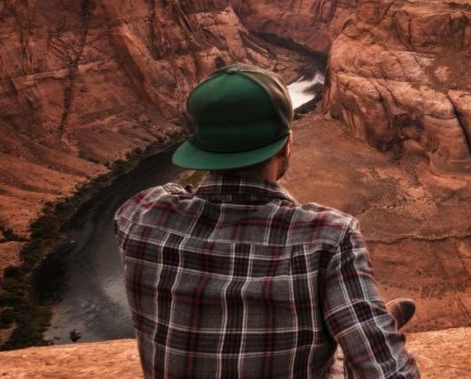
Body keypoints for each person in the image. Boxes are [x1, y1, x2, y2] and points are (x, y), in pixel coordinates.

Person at [115, 63, 419, 378]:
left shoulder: (138, 215)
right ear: (287, 144)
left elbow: (177, 198)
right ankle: (364, 328)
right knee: (341, 358)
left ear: (198, 148)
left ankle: (361, 329)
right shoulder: (328, 237)